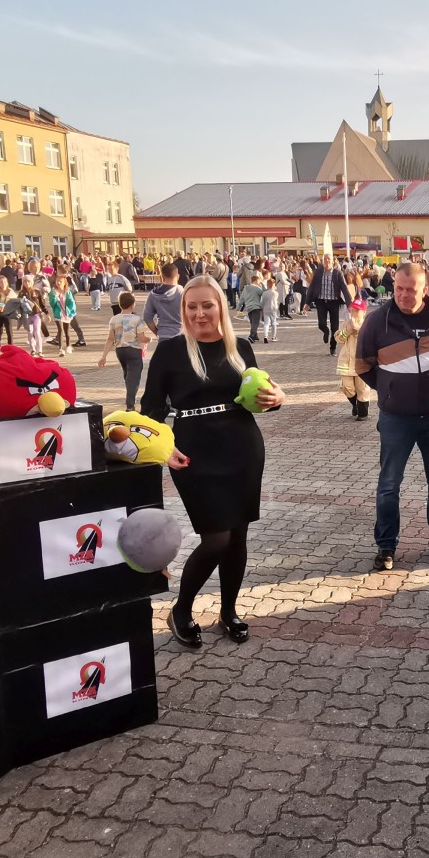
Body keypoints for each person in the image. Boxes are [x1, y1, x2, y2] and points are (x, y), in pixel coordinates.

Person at [140, 275, 286, 649]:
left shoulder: (241, 347)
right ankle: (181, 609)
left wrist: (278, 397)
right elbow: (150, 409)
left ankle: (229, 611)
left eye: (207, 305)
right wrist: (163, 447)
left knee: (238, 536)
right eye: (192, 306)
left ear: (220, 305)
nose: (199, 313)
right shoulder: (170, 351)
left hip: (243, 448)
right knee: (216, 537)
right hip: (195, 452)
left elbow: (259, 395)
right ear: (183, 309)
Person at [355, 261, 429, 571]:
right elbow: (363, 365)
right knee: (389, 485)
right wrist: (389, 390)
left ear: (426, 289)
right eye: (399, 289)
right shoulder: (378, 321)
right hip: (396, 418)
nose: (404, 295)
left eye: (411, 290)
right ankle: (386, 546)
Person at [98, 291, 151, 410]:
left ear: (120, 304)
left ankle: (130, 398)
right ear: (133, 305)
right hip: (134, 350)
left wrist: (103, 356)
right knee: (134, 378)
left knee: (127, 375)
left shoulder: (114, 319)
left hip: (120, 351)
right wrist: (149, 339)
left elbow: (110, 339)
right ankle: (130, 405)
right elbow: (142, 338)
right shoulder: (137, 320)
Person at [335, 296, 377, 420]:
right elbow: (339, 338)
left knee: (362, 388)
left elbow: (373, 341)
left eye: (357, 310)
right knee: (346, 387)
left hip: (362, 363)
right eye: (352, 310)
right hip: (346, 362)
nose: (354, 313)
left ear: (364, 312)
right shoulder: (345, 324)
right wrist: (348, 330)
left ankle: (362, 413)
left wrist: (359, 331)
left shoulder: (368, 325)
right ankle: (355, 404)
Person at [307, 254, 350, 350]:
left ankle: (332, 347)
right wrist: (307, 302)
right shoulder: (318, 272)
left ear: (332, 261)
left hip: (334, 302)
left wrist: (349, 304)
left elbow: (344, 289)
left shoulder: (338, 273)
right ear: (323, 261)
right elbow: (312, 287)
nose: (327, 261)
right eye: (325, 259)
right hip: (321, 301)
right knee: (321, 324)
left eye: (329, 259)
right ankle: (326, 331)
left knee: (335, 327)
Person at [140, 265, 185, 346]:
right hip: (181, 334)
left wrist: (157, 332)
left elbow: (147, 317)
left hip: (163, 335)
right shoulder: (182, 292)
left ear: (161, 277)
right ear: (178, 276)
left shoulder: (153, 295)